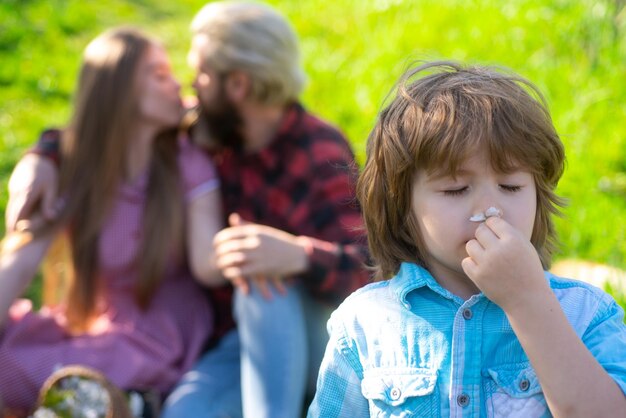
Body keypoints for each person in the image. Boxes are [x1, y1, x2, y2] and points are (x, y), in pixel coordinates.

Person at [5, 2, 371, 417]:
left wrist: (298, 255)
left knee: (264, 281)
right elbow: (108, 128)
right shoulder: (208, 134)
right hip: (232, 344)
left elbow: (373, 268)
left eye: (201, 74)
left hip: (314, 339)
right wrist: (45, 154)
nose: (189, 85)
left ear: (237, 85)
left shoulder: (318, 150)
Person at [308, 61, 626, 417]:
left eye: (511, 186)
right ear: (403, 208)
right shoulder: (364, 323)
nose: (490, 209)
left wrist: (528, 301)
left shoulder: (586, 313)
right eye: (455, 189)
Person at [0, 27, 224, 416]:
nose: (177, 85)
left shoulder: (187, 162)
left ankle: (121, 402)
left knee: (71, 368)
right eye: (159, 75)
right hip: (95, 323)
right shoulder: (74, 170)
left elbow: (209, 263)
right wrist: (40, 159)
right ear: (119, 93)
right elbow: (19, 264)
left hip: (159, 335)